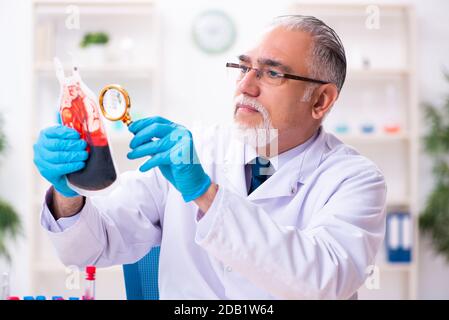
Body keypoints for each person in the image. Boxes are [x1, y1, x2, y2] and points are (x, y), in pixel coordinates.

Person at [33, 15, 386, 299]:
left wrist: (204, 191)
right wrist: (68, 190)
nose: (246, 85)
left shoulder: (355, 179)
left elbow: (325, 282)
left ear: (321, 101)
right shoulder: (194, 149)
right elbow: (91, 248)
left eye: (272, 73)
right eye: (243, 67)